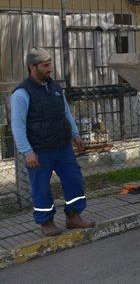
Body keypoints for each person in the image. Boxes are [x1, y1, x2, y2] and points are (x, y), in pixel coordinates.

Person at [10, 48, 95, 236]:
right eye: (45, 65)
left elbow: (66, 112)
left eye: (50, 64)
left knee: (74, 179)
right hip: (40, 151)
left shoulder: (55, 87)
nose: (50, 68)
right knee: (41, 187)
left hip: (63, 147)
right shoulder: (22, 94)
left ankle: (73, 216)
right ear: (32, 67)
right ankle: (46, 222)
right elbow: (17, 126)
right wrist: (27, 151)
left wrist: (76, 134)